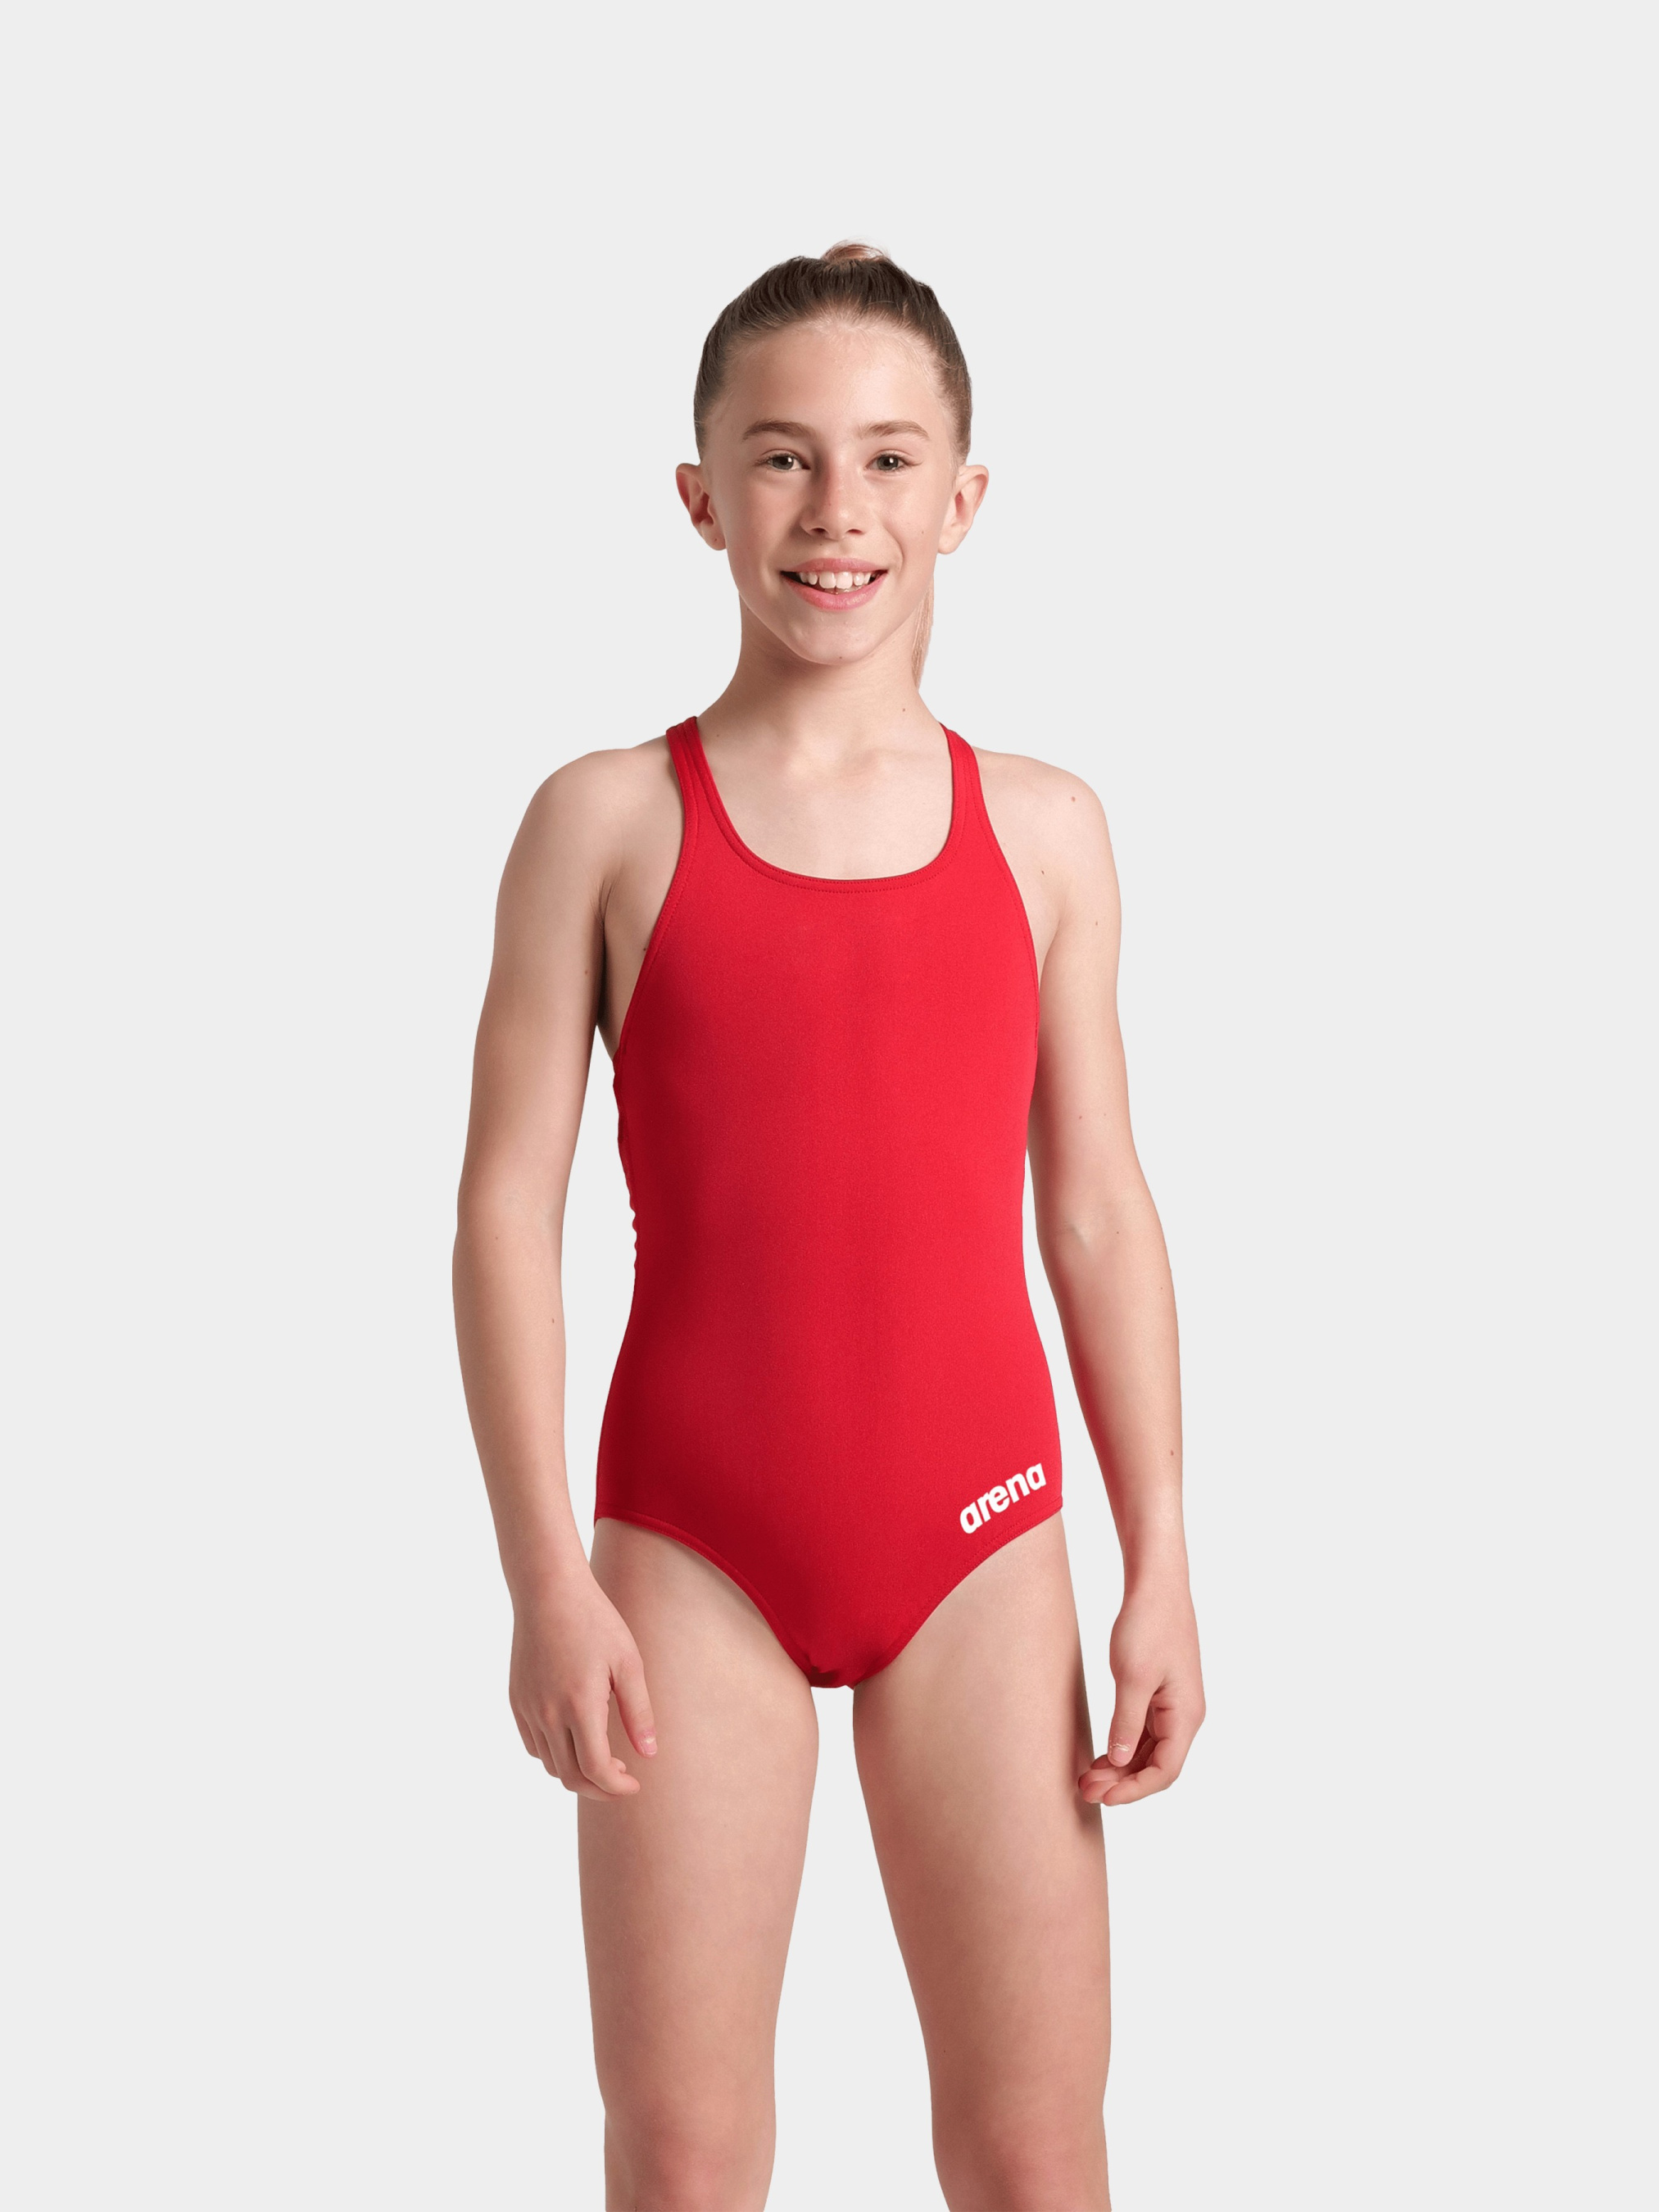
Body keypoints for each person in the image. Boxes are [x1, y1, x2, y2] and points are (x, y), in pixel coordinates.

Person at [453, 243, 1204, 2212]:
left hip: (983, 1541)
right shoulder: (604, 820)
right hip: (687, 1548)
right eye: (779, 459)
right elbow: (503, 1209)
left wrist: (1159, 1563)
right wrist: (544, 1577)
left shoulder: (1043, 830)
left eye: (886, 459)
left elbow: (1096, 1209)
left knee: (1032, 2157)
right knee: (686, 2160)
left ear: (963, 497)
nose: (833, 510)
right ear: (698, 496)